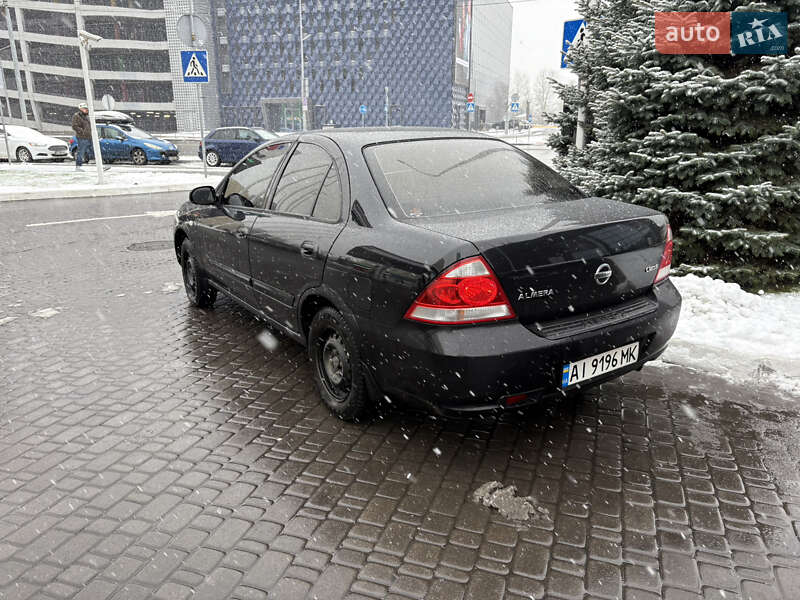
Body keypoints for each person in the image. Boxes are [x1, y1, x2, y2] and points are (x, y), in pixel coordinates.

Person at [71, 103, 92, 170]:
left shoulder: (87, 116)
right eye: (85, 109)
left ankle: (99, 165)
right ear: (81, 109)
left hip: (89, 137)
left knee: (93, 151)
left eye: (87, 109)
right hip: (82, 137)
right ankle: (78, 166)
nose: (86, 110)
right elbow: (74, 126)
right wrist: (82, 131)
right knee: (81, 151)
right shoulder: (77, 116)